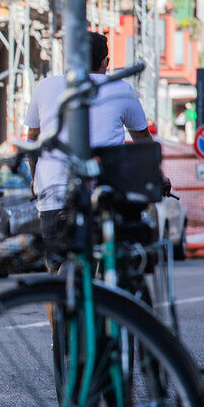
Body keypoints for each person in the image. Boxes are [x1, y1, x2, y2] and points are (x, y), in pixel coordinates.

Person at [24, 32, 166, 270]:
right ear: (105, 63)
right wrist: (159, 178)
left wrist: (33, 177)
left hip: (53, 189)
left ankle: (61, 301)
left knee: (56, 270)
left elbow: (32, 140)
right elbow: (143, 143)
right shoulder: (121, 88)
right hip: (104, 192)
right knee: (111, 260)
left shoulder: (45, 87)